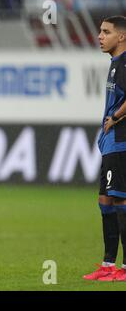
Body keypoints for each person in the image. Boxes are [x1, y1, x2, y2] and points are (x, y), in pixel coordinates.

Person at [83, 15, 126, 282]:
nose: (100, 36)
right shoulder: (114, 64)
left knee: (121, 201)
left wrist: (117, 118)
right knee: (105, 201)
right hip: (110, 143)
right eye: (100, 31)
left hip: (121, 142)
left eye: (106, 32)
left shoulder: (125, 63)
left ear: (121, 37)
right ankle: (108, 264)